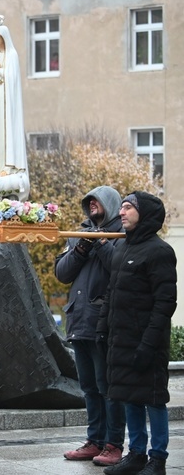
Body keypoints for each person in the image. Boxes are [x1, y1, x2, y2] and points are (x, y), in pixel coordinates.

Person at [98, 192, 176, 475]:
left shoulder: (160, 251)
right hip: (121, 340)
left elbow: (165, 303)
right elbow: (111, 292)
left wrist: (148, 344)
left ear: (145, 214)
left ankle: (158, 459)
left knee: (153, 399)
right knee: (129, 396)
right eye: (122, 207)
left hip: (147, 342)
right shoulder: (122, 249)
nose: (121, 212)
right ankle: (137, 455)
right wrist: (102, 327)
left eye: (128, 208)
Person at [55, 186, 126, 466]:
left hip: (104, 323)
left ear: (110, 203)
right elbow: (62, 273)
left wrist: (101, 243)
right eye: (89, 201)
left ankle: (113, 444)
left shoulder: (121, 236)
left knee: (107, 386)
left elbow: (120, 267)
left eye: (97, 200)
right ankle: (94, 441)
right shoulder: (78, 235)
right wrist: (82, 247)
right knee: (89, 387)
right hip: (79, 321)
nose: (92, 204)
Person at [0, 10, 29, 200]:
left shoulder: (12, 55)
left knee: (8, 135)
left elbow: (12, 77)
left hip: (8, 105)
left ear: (4, 37)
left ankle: (10, 166)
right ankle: (0, 166)